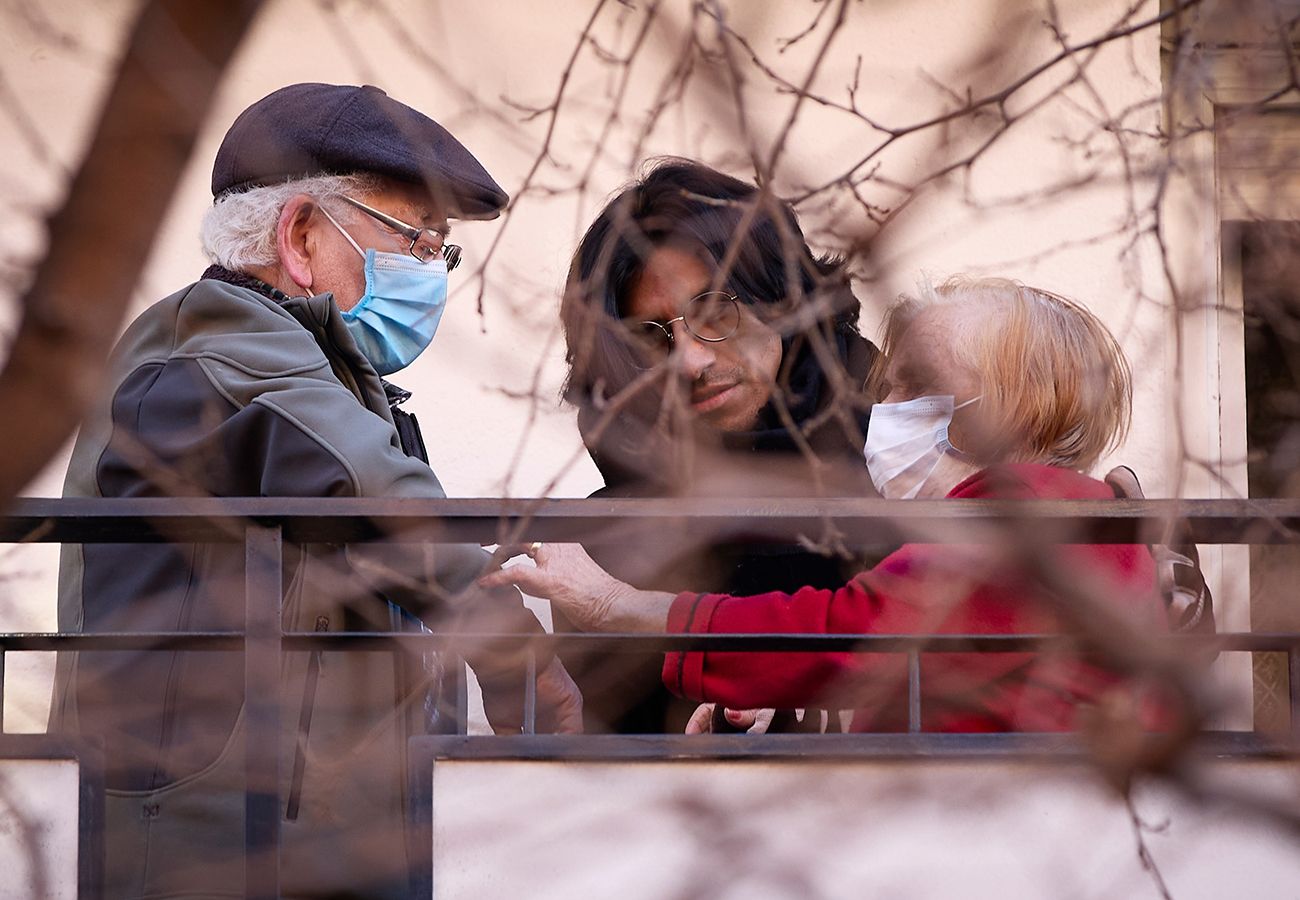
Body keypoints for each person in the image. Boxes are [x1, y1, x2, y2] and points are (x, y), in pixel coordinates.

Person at [48, 83, 581, 898]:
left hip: (304, 837)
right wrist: (514, 648)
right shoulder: (215, 335)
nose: (432, 270)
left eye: (443, 248)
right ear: (299, 233)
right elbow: (372, 486)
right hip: (204, 846)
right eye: (415, 239)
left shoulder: (323, 369)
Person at [486, 276, 1171, 732]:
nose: (886, 409)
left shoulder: (1026, 513)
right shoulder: (1042, 516)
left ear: (1014, 405)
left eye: (915, 385)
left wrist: (615, 604)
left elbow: (851, 633)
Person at [557, 159, 881, 733]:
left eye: (715, 312)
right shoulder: (609, 539)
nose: (691, 360)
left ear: (785, 302)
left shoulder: (904, 474)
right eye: (649, 335)